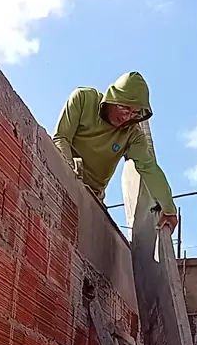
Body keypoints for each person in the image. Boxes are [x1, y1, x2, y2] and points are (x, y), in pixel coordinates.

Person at [52, 71, 178, 232]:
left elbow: (149, 168)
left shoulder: (133, 135)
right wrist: (70, 176)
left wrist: (169, 209)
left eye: (134, 113)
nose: (126, 117)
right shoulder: (83, 99)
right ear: (112, 98)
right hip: (63, 178)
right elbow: (61, 138)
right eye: (124, 109)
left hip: (93, 198)